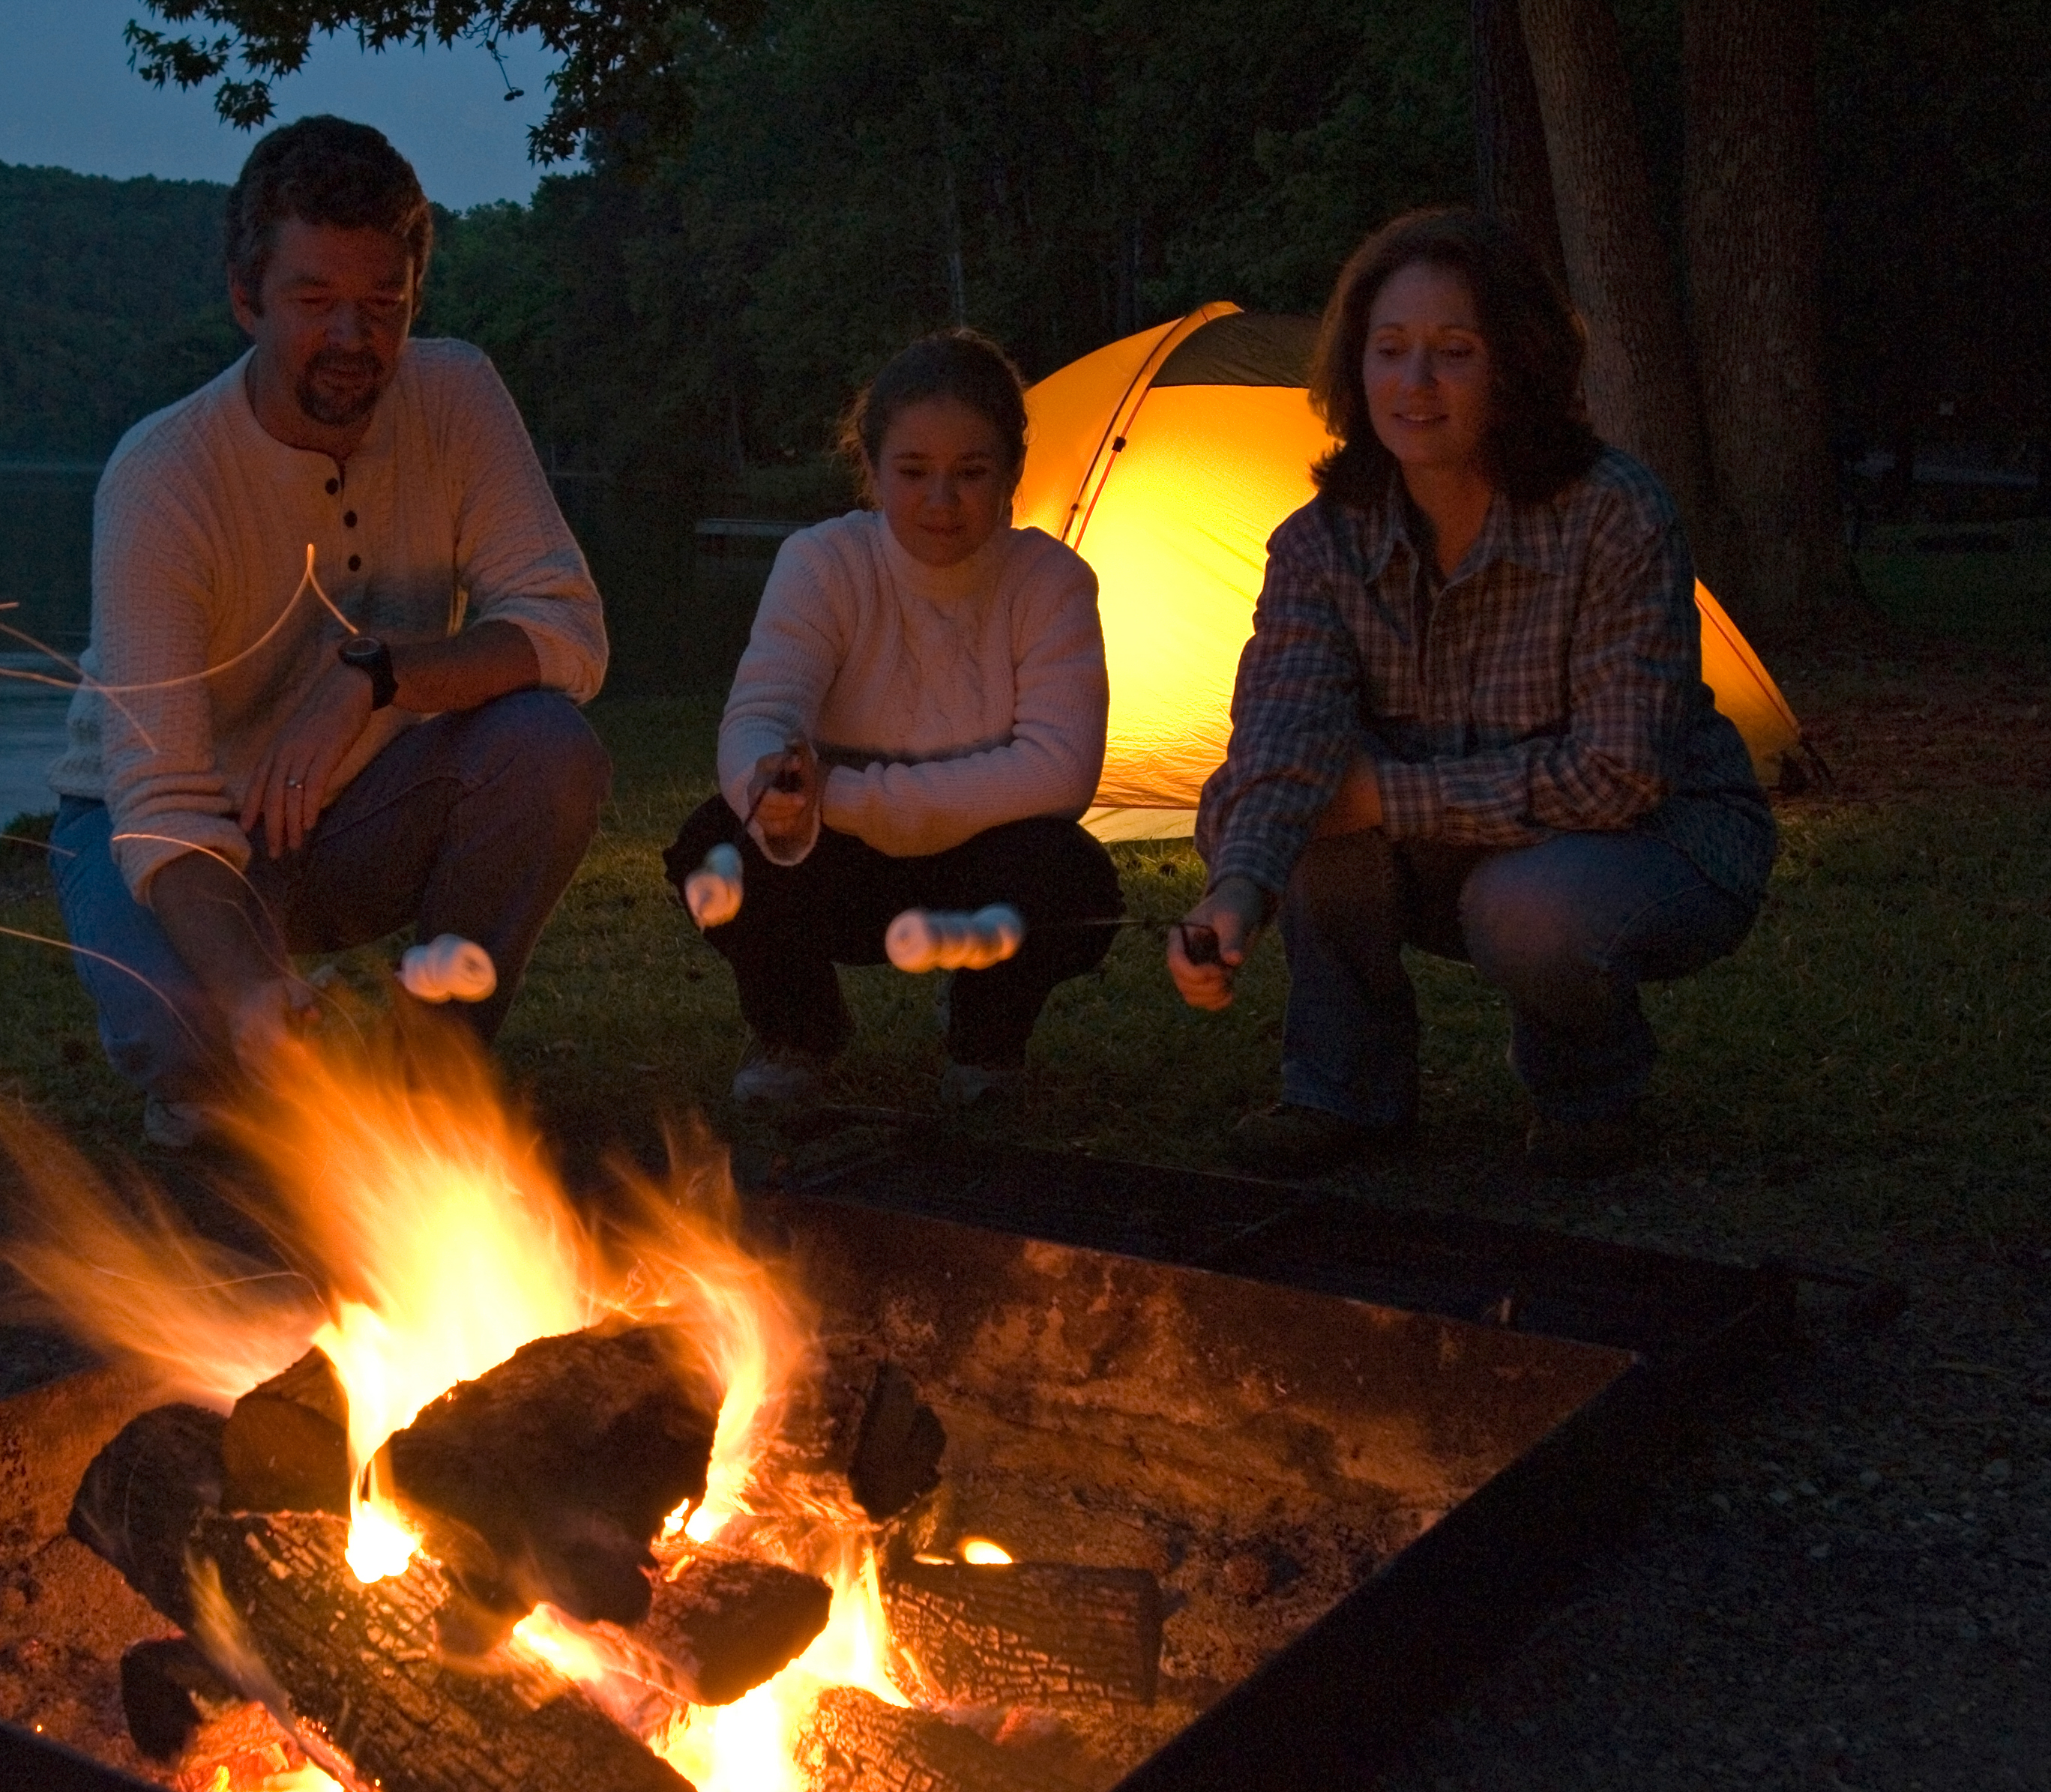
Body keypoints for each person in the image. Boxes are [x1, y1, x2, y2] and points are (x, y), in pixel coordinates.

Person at [1168, 208, 1774, 1179]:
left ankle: (1592, 1095)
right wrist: (1235, 896)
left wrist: (1388, 795)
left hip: (1657, 841)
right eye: (1390, 349)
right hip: (1453, 842)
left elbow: (1620, 773)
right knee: (1302, 805)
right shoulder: (1323, 543)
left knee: (1520, 901)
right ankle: (1342, 1091)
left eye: (1453, 351)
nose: (1415, 383)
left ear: (1516, 365)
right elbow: (1283, 740)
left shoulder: (1612, 516)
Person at [46, 116, 611, 1148]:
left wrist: (377, 675)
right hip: (163, 831)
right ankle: (227, 1057)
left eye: (382, 305)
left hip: (358, 812)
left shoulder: (455, 397)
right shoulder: (165, 477)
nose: (354, 339)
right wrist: (254, 989)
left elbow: (566, 630)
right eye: (314, 302)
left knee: (547, 750)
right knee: (189, 1033)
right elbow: (162, 800)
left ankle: (430, 1072)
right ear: (245, 298)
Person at [665, 329, 1119, 1111]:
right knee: (717, 847)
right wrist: (775, 783)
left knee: (1068, 875)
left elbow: (1061, 769)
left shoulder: (1049, 582)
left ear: (1012, 472)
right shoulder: (824, 564)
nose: (941, 501)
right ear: (872, 471)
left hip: (978, 868)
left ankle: (985, 1044)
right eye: (914, 472)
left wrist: (847, 795)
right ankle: (798, 1033)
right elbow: (762, 713)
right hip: (835, 868)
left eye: (971, 473)